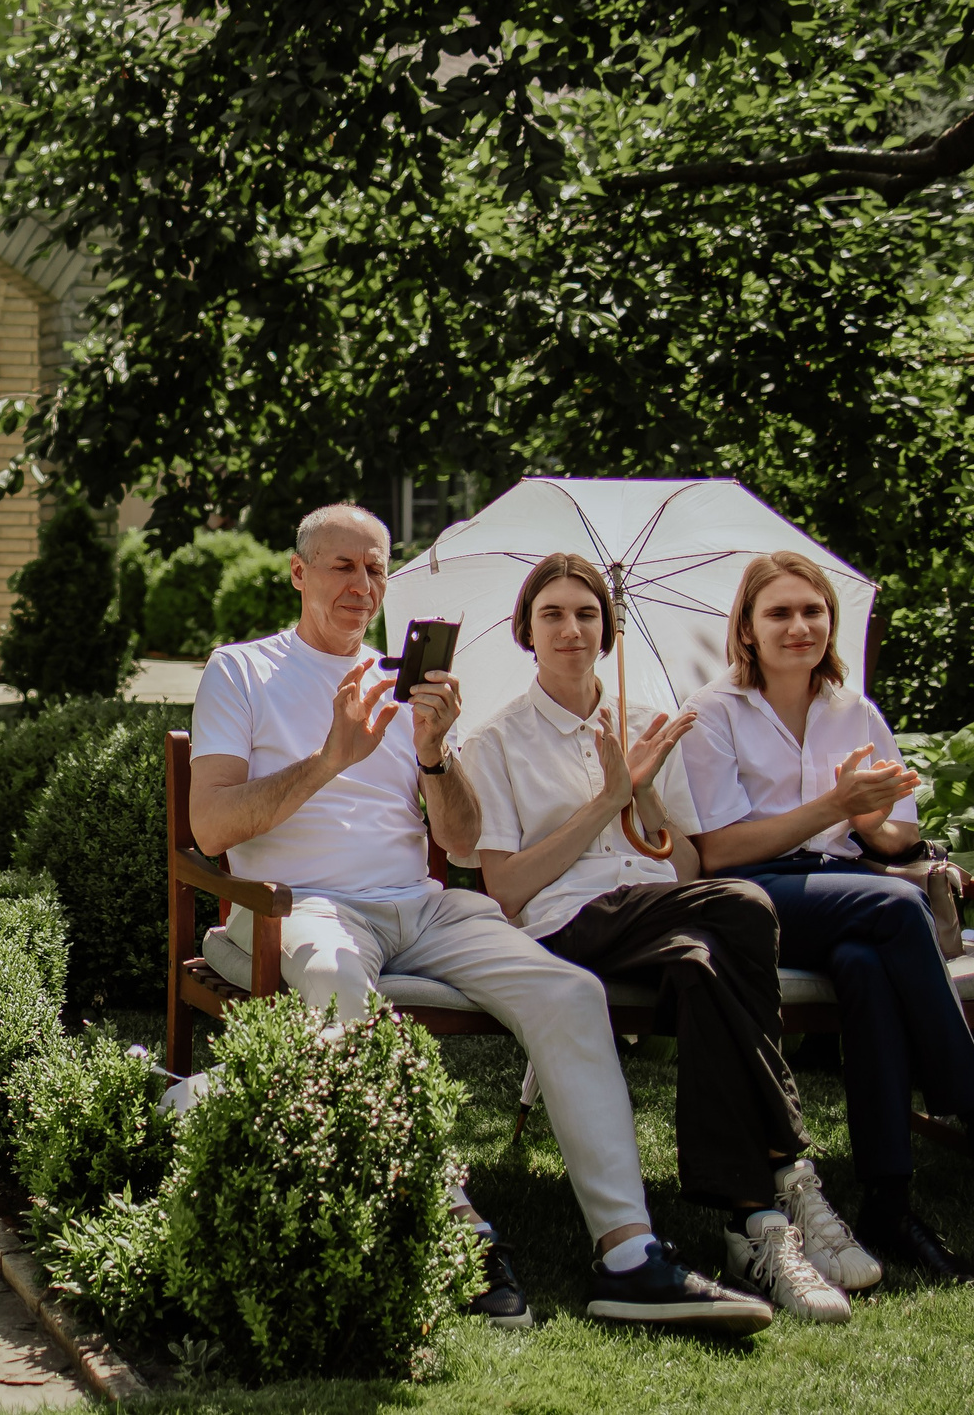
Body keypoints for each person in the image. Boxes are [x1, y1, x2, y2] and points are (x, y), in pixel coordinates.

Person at [189, 504, 769, 1334]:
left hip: (417, 906)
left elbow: (460, 842)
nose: (361, 585)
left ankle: (630, 1254)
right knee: (333, 979)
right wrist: (330, 760)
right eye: (342, 566)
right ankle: (454, 1224)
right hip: (296, 907)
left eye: (376, 569)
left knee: (569, 993)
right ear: (298, 573)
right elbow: (210, 828)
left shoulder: (402, 681)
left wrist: (433, 751)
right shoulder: (242, 671)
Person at [459, 554, 863, 1321]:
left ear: (608, 630)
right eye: (553, 615)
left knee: (705, 967)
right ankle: (793, 1165)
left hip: (656, 914)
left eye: (587, 614)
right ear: (526, 631)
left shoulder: (649, 722)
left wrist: (641, 791)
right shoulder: (496, 743)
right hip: (565, 924)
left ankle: (754, 1216)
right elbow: (508, 889)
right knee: (743, 905)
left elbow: (681, 867)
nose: (572, 629)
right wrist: (601, 803)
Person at [681, 551, 974, 1283]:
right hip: (755, 895)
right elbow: (717, 851)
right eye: (778, 613)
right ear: (745, 629)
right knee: (896, 904)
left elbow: (898, 835)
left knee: (869, 964)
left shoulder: (854, 710)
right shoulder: (714, 715)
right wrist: (833, 808)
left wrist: (869, 821)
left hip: (849, 891)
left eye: (812, 610)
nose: (799, 626)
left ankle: (889, 1203)